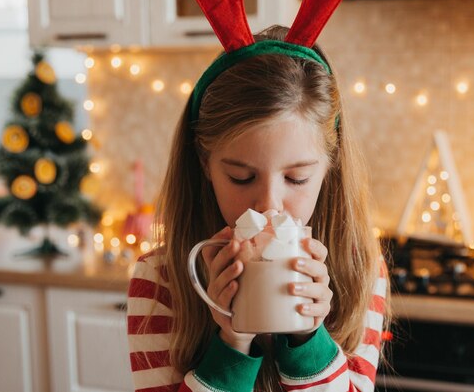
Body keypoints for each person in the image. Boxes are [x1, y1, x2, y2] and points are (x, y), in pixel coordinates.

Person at [126, 23, 389, 392]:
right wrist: (231, 341)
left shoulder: (361, 267)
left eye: (296, 179)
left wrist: (308, 339)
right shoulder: (159, 280)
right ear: (205, 162)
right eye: (241, 177)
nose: (269, 205)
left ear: (330, 165)